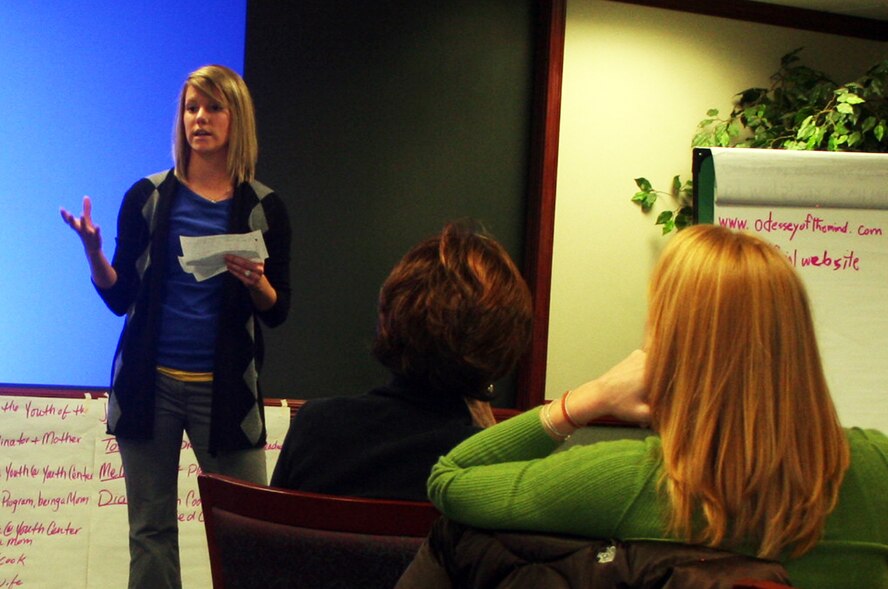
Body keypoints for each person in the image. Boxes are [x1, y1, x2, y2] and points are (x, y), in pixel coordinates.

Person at [423, 224, 888, 589]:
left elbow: (450, 479)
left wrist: (593, 396)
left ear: (672, 347)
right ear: (799, 340)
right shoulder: (877, 465)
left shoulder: (631, 479)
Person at [60, 64, 291, 589]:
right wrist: (94, 254)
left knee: (248, 533)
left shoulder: (264, 207)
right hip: (149, 388)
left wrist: (256, 282)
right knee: (151, 531)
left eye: (212, 108)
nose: (200, 119)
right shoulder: (148, 197)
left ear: (238, 120)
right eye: (191, 108)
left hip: (228, 393)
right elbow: (119, 298)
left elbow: (278, 311)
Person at [270, 220, 532, 501]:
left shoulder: (316, 427)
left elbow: (268, 536)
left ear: (387, 317)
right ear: (505, 341)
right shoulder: (488, 473)